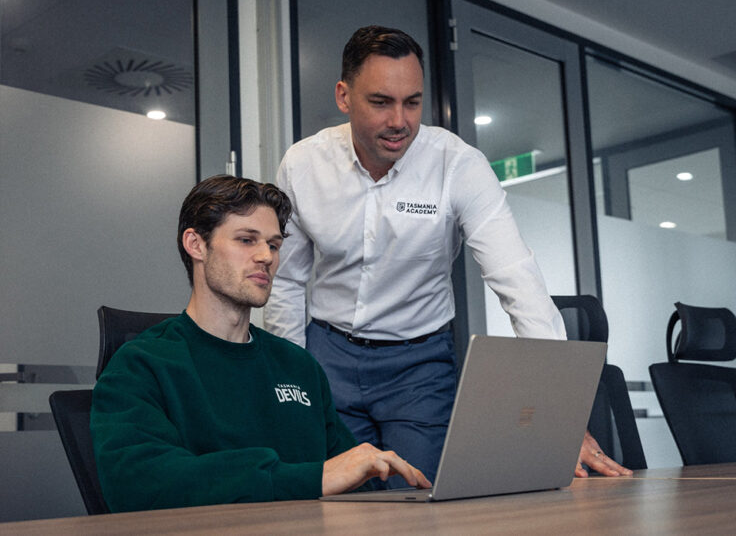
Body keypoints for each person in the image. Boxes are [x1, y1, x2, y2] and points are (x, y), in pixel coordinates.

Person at [263, 25, 631, 485]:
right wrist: (291, 376)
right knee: (333, 501)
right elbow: (287, 281)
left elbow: (516, 277)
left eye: (412, 102)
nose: (400, 121)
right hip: (326, 354)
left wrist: (559, 415)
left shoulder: (458, 165)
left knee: (419, 501)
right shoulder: (302, 164)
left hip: (418, 364)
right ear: (343, 96)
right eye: (381, 102)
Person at [90, 174, 430, 513]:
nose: (266, 256)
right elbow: (137, 483)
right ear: (196, 245)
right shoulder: (141, 364)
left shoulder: (299, 366)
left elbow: (355, 479)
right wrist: (308, 479)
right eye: (246, 240)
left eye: (274, 244)